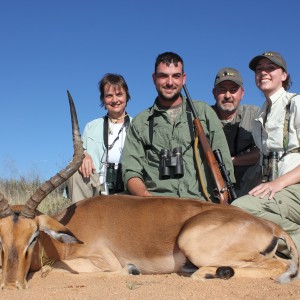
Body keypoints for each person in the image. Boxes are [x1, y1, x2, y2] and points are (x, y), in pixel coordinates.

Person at [121, 52, 234, 202]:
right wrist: (148, 200)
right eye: (163, 76)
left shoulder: (204, 112)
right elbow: (130, 171)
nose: (169, 82)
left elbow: (225, 165)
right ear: (154, 78)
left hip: (201, 205)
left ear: (183, 79)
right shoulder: (140, 122)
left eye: (175, 76)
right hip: (156, 205)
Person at [232, 51, 300, 258]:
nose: (263, 73)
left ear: (284, 76)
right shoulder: (260, 115)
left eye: (271, 68)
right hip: (276, 190)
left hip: (292, 187)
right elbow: (262, 157)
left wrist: (278, 183)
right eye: (259, 69)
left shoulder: (296, 103)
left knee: (241, 209)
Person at [67, 73, 132, 203]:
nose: (115, 100)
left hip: (127, 187)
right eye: (109, 96)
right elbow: (79, 152)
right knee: (75, 172)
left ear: (126, 96)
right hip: (99, 185)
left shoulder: (138, 125)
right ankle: (81, 218)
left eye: (119, 94)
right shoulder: (92, 126)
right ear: (103, 99)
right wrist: (84, 155)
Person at [212, 67, 261, 197]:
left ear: (242, 93)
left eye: (233, 90)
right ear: (214, 92)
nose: (228, 96)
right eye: (222, 90)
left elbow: (261, 153)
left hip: (248, 188)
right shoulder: (203, 116)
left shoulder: (255, 114)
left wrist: (228, 161)